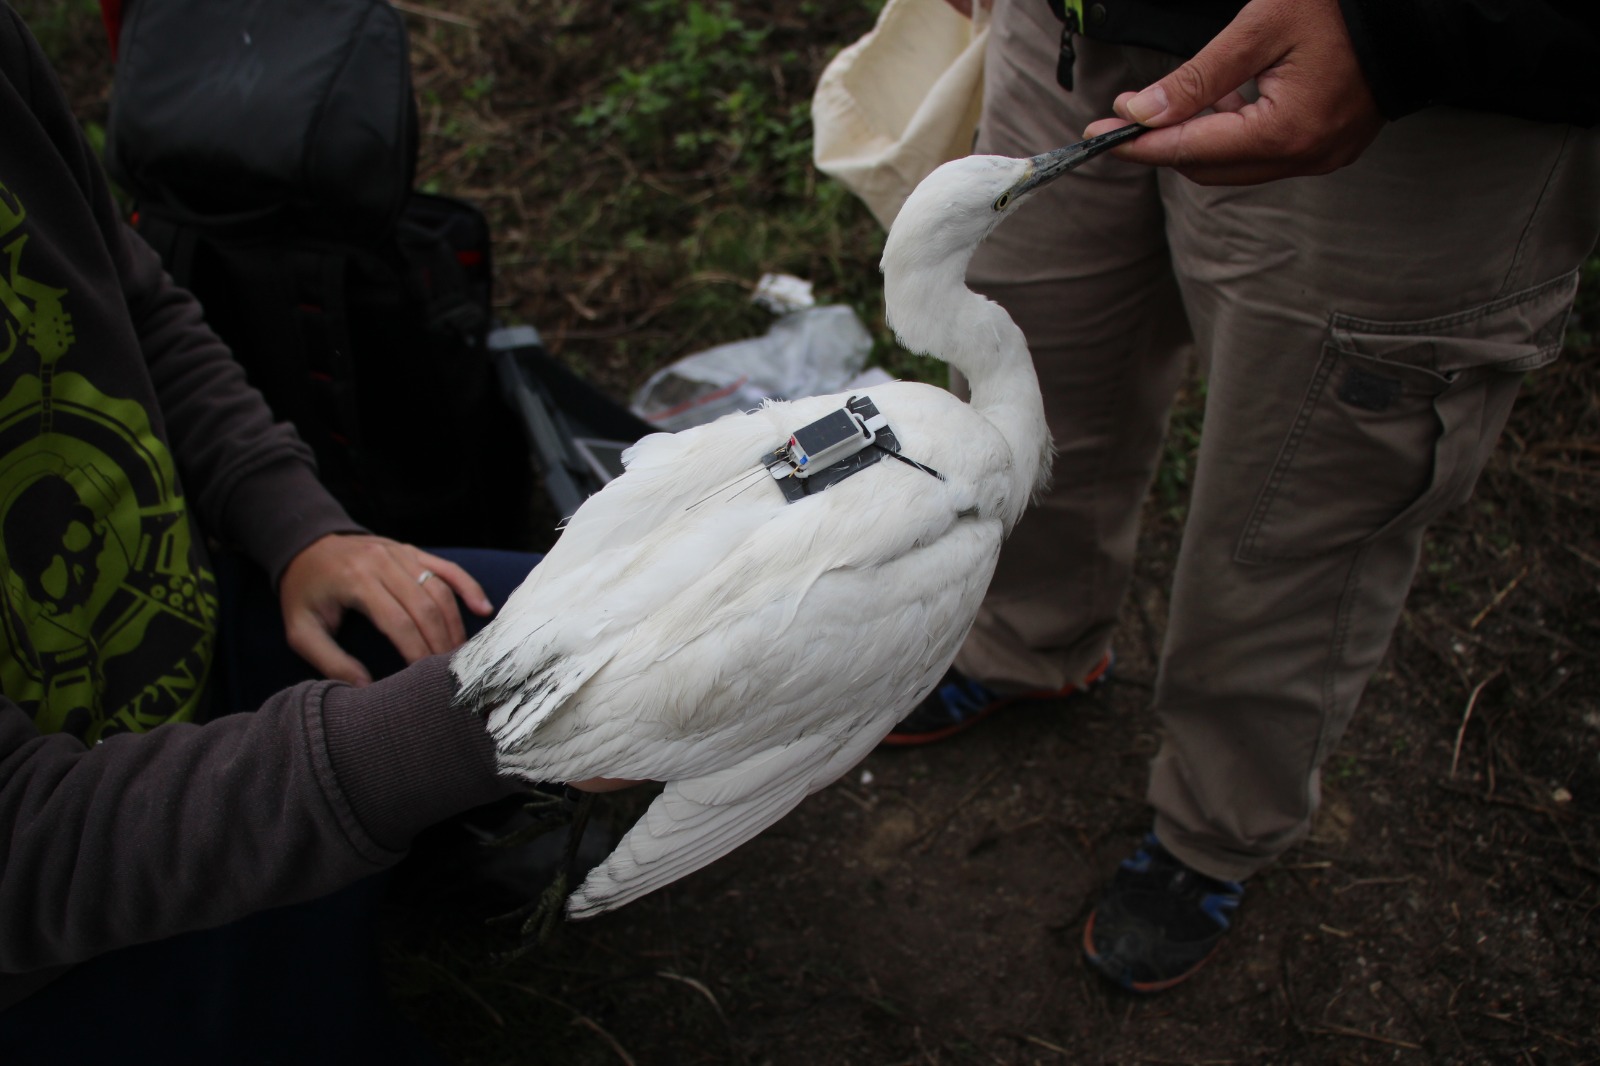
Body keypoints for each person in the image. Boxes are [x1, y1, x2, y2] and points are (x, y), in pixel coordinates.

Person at [885, 0, 1600, 993]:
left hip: (1409, 102)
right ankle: (1025, 642)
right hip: (1073, 35)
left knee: (1302, 490)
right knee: (1034, 376)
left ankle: (1216, 827)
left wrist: (1403, 35)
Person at [0, 4, 598, 1058]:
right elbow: (27, 849)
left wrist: (294, 520)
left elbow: (135, 295)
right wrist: (474, 726)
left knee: (583, 598)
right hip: (63, 926)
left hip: (211, 644)